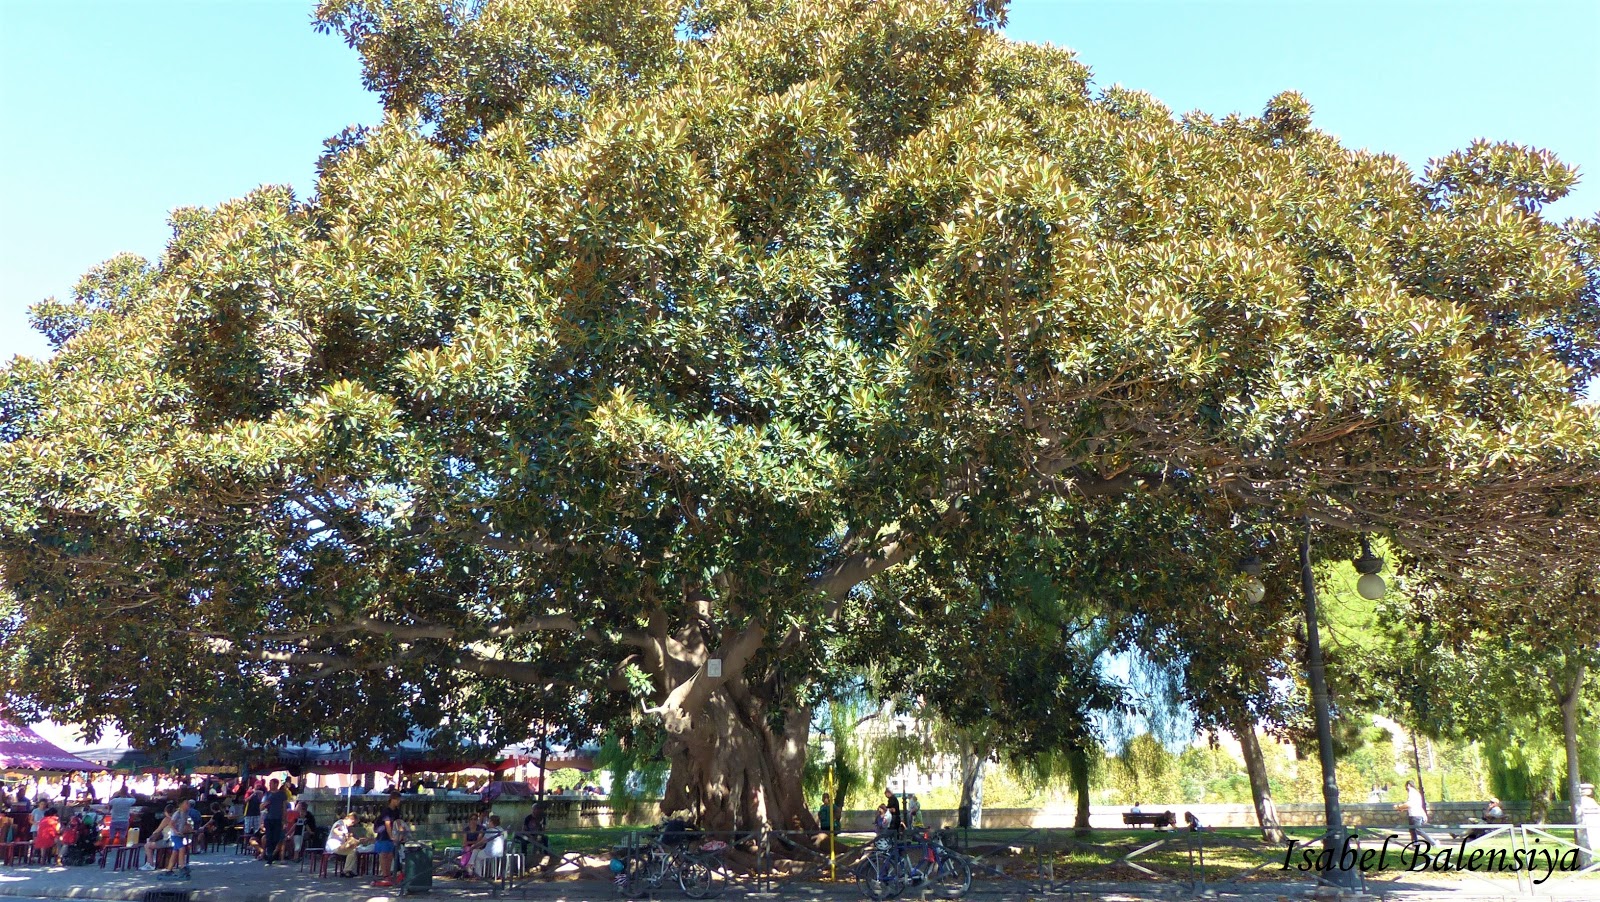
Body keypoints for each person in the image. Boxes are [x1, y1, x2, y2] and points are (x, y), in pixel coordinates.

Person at [371, 791, 405, 887]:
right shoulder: (386, 811)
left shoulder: (396, 810)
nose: (398, 802)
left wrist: (401, 833)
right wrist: (391, 836)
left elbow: (398, 822)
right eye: (397, 800)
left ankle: (388, 874)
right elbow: (387, 824)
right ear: (392, 799)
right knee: (384, 854)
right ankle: (385, 874)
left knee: (390, 854)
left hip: (392, 833)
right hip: (383, 833)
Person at [325, 811, 361, 879]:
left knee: (353, 851)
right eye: (353, 823)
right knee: (352, 851)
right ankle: (346, 871)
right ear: (350, 819)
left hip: (340, 845)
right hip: (334, 845)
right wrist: (343, 834)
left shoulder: (347, 827)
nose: (352, 825)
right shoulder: (340, 823)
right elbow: (335, 830)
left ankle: (347, 870)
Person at [261, 778, 288, 866]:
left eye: (271, 783)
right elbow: (261, 807)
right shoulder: (267, 794)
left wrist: (284, 820)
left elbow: (284, 808)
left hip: (278, 819)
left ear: (276, 784)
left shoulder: (282, 794)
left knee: (276, 838)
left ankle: (272, 855)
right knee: (269, 838)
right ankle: (269, 858)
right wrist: (266, 804)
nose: (269, 785)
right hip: (269, 819)